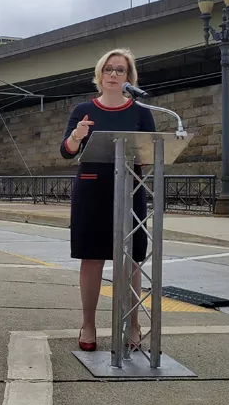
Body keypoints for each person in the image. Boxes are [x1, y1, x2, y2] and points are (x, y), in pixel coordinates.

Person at [59, 48, 156, 352]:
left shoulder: (141, 112)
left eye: (121, 70)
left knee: (131, 260)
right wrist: (76, 135)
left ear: (130, 77)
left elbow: (153, 154)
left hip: (130, 190)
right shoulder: (84, 109)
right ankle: (88, 324)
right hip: (92, 191)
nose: (114, 75)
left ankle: (134, 325)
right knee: (92, 258)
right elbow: (66, 151)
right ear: (99, 75)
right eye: (109, 70)